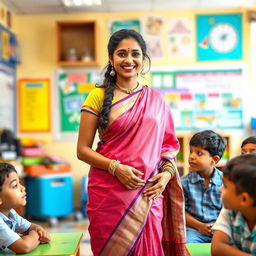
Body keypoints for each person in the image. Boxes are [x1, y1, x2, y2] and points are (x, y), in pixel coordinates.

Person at [77, 29, 186, 256]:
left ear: (143, 59)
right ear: (111, 58)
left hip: (148, 194)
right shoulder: (97, 96)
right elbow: (82, 150)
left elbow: (169, 147)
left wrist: (166, 175)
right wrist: (115, 168)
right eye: (121, 54)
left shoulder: (156, 100)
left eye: (135, 54)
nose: (128, 60)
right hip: (108, 194)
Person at [181, 130, 226, 243]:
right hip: (195, 230)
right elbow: (181, 212)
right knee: (187, 243)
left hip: (221, 229)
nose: (191, 156)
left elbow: (230, 210)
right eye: (191, 151)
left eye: (199, 153)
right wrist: (200, 226)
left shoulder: (226, 182)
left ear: (214, 159)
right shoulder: (184, 182)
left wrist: (218, 226)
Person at [0, 162, 51, 253]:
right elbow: (24, 246)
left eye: (19, 182)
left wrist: (38, 230)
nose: (23, 188)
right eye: (15, 185)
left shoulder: (10, 213)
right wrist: (37, 234)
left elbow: (31, 227)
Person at [211, 154, 256, 256]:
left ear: (244, 199)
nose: (220, 189)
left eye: (225, 186)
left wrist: (231, 250)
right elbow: (217, 248)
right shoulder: (230, 209)